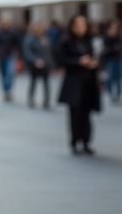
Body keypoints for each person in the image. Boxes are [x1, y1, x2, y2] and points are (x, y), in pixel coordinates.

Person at [57, 14, 101, 155]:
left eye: (83, 25)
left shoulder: (90, 41)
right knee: (75, 114)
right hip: (74, 83)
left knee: (87, 114)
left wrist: (94, 63)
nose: (81, 28)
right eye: (78, 25)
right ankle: (74, 142)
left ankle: (86, 142)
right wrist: (79, 61)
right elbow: (61, 59)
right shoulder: (67, 41)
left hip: (89, 83)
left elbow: (98, 56)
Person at [22, 22, 53, 109]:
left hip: (46, 64)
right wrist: (35, 60)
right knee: (33, 82)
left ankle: (47, 101)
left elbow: (50, 52)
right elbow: (27, 52)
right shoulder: (29, 39)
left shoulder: (46, 39)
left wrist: (52, 64)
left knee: (46, 83)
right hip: (34, 65)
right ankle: (31, 99)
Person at [0, 19, 19, 102]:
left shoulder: (12, 33)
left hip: (10, 55)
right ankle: (5, 91)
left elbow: (16, 44)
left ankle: (9, 90)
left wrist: (17, 53)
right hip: (1, 56)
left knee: (10, 73)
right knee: (3, 74)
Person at [103, 19, 122, 103]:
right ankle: (111, 94)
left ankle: (118, 95)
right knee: (111, 77)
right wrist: (114, 48)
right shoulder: (107, 36)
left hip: (118, 58)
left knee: (118, 77)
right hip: (110, 59)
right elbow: (105, 48)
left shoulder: (118, 35)